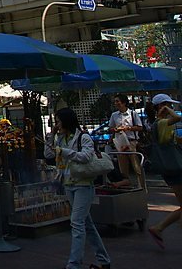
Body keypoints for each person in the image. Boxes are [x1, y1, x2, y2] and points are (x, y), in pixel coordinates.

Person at [45, 107, 110, 269]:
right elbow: (48, 155)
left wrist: (65, 152)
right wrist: (51, 137)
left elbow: (86, 157)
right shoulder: (60, 138)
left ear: (66, 121)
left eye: (59, 121)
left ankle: (74, 264)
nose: (57, 124)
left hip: (83, 185)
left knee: (76, 223)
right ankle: (104, 260)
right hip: (68, 184)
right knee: (86, 223)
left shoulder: (83, 137)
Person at [147, 93, 182, 250]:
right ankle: (159, 227)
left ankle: (160, 228)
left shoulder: (159, 123)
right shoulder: (161, 123)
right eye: (169, 105)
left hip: (172, 166)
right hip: (173, 167)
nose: (172, 108)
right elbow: (177, 118)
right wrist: (166, 109)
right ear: (161, 106)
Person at [108, 93, 143, 184]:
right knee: (123, 166)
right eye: (115, 102)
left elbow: (140, 127)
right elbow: (110, 128)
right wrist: (115, 129)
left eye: (117, 101)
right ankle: (126, 183)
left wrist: (128, 128)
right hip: (120, 142)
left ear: (123, 103)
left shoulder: (133, 113)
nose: (116, 103)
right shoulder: (114, 115)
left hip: (131, 141)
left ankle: (141, 185)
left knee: (136, 165)